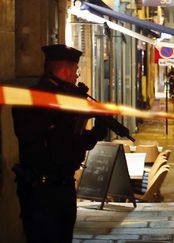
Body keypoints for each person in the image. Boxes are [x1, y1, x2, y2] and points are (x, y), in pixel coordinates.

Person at [12, 44, 108, 242]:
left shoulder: (68, 99)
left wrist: (97, 132)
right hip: (40, 191)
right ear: (65, 71)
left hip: (64, 188)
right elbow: (28, 133)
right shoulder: (30, 99)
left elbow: (73, 142)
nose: (76, 77)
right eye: (75, 71)